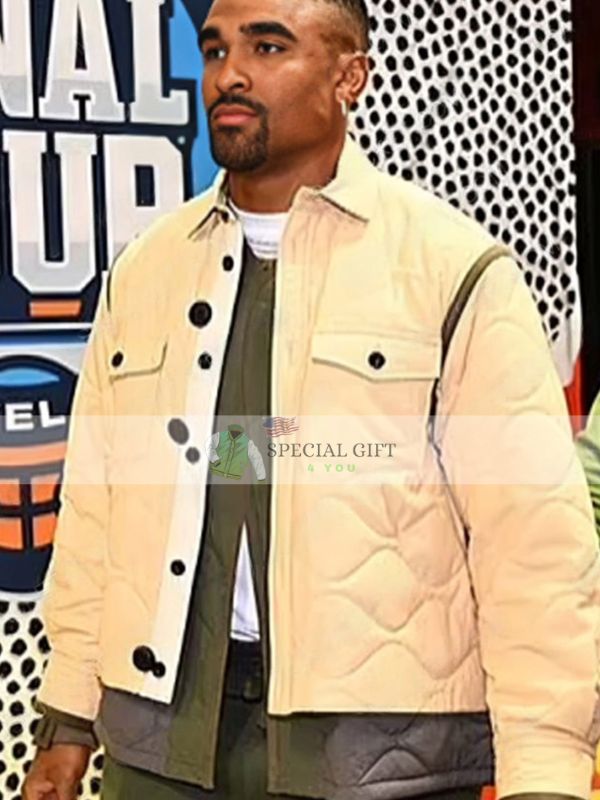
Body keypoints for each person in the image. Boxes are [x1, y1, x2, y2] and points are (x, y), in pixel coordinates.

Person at [22, 0, 600, 799]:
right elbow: (100, 507)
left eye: (268, 47)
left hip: (379, 763)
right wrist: (68, 720)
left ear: (349, 76)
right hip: (158, 750)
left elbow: (530, 540)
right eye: (216, 49)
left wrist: (547, 768)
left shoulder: (452, 270)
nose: (229, 74)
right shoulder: (146, 272)